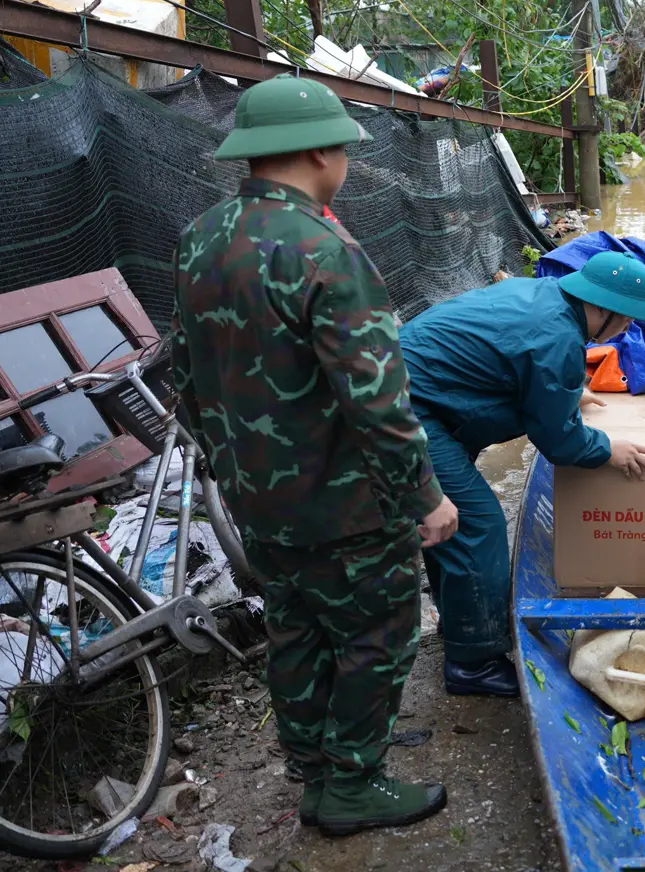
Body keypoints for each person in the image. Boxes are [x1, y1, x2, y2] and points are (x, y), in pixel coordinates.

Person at [171, 73, 458, 837]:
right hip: (345, 504)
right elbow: (377, 401)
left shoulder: (202, 235)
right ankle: (352, 787)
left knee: (296, 630)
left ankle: (314, 763)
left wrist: (234, 467)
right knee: (376, 636)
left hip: (257, 498)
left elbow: (185, 371)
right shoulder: (326, 249)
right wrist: (424, 497)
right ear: (322, 152)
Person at [399, 251, 645, 696]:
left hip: (415, 386)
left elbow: (519, 363)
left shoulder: (548, 297)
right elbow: (560, 444)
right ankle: (473, 664)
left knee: (453, 519)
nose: (629, 330)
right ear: (600, 309)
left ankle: (462, 619)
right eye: (628, 320)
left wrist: (561, 393)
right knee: (476, 522)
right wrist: (607, 450)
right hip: (409, 408)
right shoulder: (558, 337)